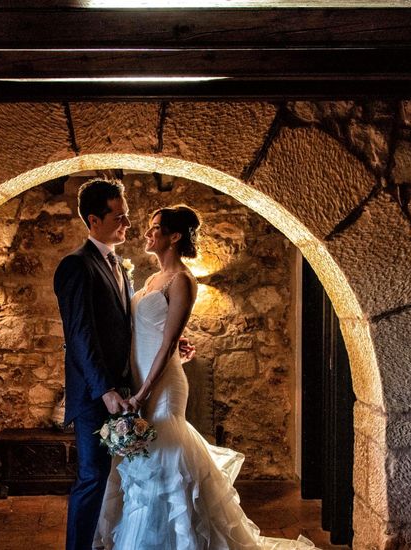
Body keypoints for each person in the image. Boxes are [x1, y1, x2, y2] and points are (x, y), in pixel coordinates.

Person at [93, 205, 315, 550]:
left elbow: (166, 344)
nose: (148, 234)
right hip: (138, 378)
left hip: (163, 383)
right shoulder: (152, 279)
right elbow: (149, 330)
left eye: (155, 229)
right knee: (144, 465)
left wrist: (144, 393)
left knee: (165, 457)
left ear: (174, 236)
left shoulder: (183, 280)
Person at [54, 179, 135, 550]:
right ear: (93, 220)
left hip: (124, 390)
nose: (127, 224)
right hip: (93, 396)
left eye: (127, 216)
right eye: (119, 217)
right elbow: (81, 335)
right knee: (91, 478)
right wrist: (104, 390)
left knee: (118, 478)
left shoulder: (120, 265)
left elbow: (123, 325)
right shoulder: (76, 266)